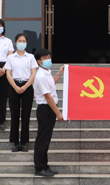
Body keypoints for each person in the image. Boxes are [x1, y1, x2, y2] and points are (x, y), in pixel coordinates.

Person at [33, 48, 64, 177]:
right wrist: (58, 112)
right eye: (45, 58)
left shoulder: (46, 73)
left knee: (46, 139)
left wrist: (59, 73)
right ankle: (39, 168)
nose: (48, 59)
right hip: (46, 109)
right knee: (42, 140)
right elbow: (48, 97)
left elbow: (51, 84)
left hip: (49, 108)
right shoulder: (40, 76)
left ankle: (45, 166)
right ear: (39, 62)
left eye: (49, 57)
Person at [5, 33, 38, 152]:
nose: (21, 43)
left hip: (27, 86)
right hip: (14, 86)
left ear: (26, 43)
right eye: (19, 41)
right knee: (14, 115)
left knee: (25, 115)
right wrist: (15, 86)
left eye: (23, 41)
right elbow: (8, 73)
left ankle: (23, 142)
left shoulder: (31, 57)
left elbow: (33, 73)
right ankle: (15, 142)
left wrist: (25, 86)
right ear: (15, 43)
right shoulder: (10, 58)